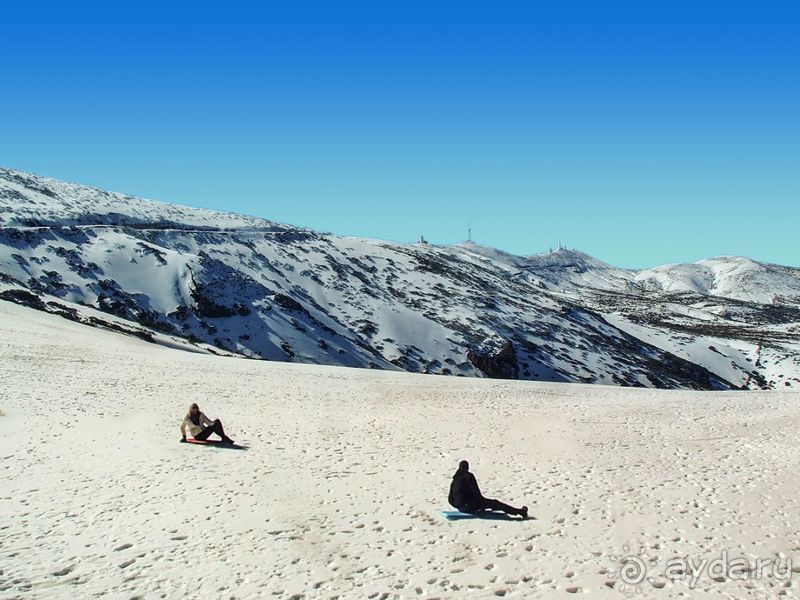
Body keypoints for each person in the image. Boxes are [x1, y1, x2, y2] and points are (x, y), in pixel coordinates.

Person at [448, 460, 528, 518]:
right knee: (495, 503)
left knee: (490, 503)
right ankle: (520, 512)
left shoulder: (455, 478)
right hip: (467, 506)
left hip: (460, 507)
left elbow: (450, 498)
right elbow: (476, 492)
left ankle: (518, 511)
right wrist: (481, 505)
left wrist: (457, 506)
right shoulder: (468, 476)